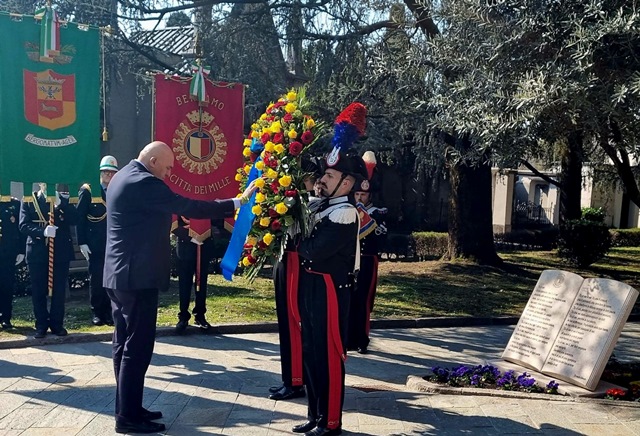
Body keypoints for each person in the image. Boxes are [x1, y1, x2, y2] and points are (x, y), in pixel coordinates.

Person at [103, 141, 256, 434]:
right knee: (136, 346)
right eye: (168, 166)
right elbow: (188, 205)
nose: (170, 172)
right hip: (136, 278)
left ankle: (129, 407)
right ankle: (127, 417)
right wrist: (236, 202)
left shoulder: (123, 175)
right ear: (153, 160)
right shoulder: (143, 181)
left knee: (123, 344)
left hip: (120, 275)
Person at [292, 102, 369, 436]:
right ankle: (315, 414)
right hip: (312, 286)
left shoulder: (344, 215)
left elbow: (314, 251)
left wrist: (296, 235)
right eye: (323, 175)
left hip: (330, 289)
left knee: (330, 353)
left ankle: (332, 420)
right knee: (310, 349)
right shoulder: (321, 208)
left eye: (329, 176)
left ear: (347, 184)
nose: (321, 180)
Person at [268, 158, 321, 401]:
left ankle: (296, 380)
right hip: (284, 260)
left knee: (293, 321)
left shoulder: (313, 203)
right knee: (284, 320)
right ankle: (288, 377)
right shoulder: (293, 201)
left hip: (295, 263)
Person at [19, 183, 77, 338]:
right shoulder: (29, 199)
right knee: (38, 291)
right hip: (37, 252)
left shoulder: (64, 199)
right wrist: (42, 232)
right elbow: (23, 225)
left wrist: (60, 205)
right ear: (40, 184)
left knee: (59, 290)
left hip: (60, 251)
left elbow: (75, 219)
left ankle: (57, 324)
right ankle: (41, 325)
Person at [348, 151, 387, 354]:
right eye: (357, 194)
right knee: (347, 299)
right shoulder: (347, 211)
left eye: (363, 194)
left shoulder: (378, 213)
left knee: (364, 300)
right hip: (348, 260)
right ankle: (348, 337)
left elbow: (380, 236)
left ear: (369, 195)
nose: (360, 197)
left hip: (367, 261)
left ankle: (362, 339)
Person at [76, 155, 119, 326]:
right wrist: (82, 242)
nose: (109, 175)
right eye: (106, 172)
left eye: (112, 172)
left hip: (114, 243)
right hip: (94, 243)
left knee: (112, 279)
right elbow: (80, 218)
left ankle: (109, 312)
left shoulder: (117, 189)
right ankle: (97, 312)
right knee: (97, 279)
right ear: (100, 172)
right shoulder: (88, 190)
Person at [173, 216, 219, 333]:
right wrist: (188, 231)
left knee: (202, 281)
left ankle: (200, 315)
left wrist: (201, 225)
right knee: (184, 281)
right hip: (185, 241)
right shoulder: (180, 196)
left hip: (205, 240)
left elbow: (216, 212)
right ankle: (183, 316)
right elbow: (173, 216)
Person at [0, 195, 25, 329]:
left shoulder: (14, 203)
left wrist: (21, 250)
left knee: (7, 285)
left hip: (8, 251)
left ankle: (6, 317)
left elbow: (20, 228)